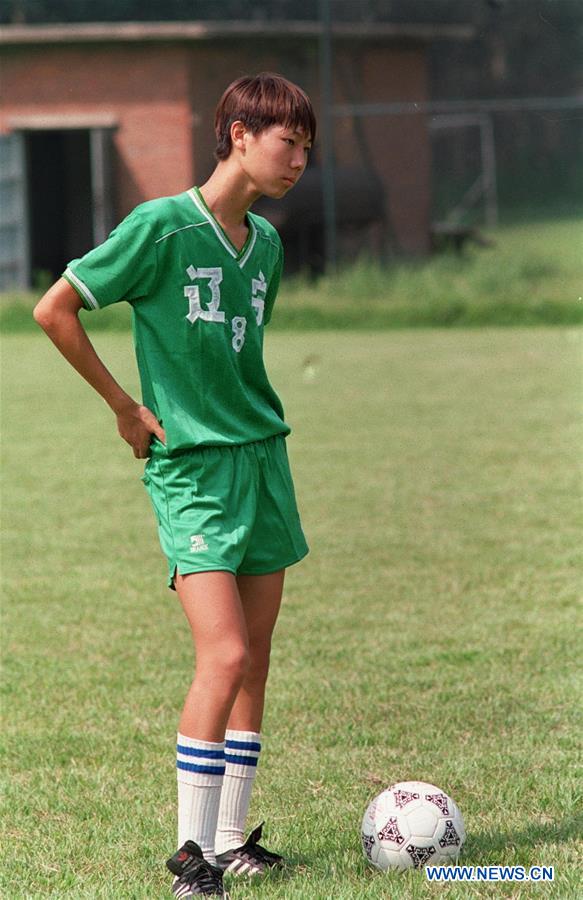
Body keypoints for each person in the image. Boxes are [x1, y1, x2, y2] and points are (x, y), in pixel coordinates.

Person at [33, 72, 316, 899]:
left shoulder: (265, 243)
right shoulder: (160, 227)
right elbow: (55, 308)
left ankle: (231, 841)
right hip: (191, 471)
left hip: (264, 458)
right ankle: (190, 852)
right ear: (235, 133)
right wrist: (125, 406)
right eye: (286, 141)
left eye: (306, 146)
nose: (298, 158)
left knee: (255, 659)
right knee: (221, 652)